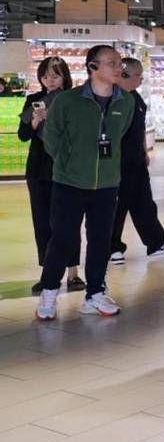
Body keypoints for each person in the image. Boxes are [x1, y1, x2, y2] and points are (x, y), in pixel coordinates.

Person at [34, 45, 136, 320]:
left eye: (119, 63)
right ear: (92, 67)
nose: (119, 68)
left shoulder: (125, 102)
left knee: (101, 240)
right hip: (69, 182)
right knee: (63, 238)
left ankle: (95, 293)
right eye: (112, 63)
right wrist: (67, 161)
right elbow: (51, 136)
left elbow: (120, 134)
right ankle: (49, 291)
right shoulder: (67, 101)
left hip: (107, 184)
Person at [109, 58, 164, 263]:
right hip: (117, 161)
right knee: (118, 205)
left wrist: (143, 151)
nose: (141, 79)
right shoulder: (113, 98)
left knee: (144, 201)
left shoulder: (135, 97)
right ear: (124, 74)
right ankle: (111, 247)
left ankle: (156, 242)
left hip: (136, 160)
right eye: (138, 75)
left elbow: (139, 128)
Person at [19, 56, 82, 294]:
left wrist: (55, 122)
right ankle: (47, 274)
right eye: (45, 76)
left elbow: (78, 133)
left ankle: (73, 273)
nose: (50, 80)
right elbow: (23, 135)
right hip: (38, 168)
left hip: (66, 167)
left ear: (65, 76)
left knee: (68, 220)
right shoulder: (34, 100)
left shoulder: (74, 99)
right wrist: (35, 122)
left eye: (55, 75)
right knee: (42, 222)